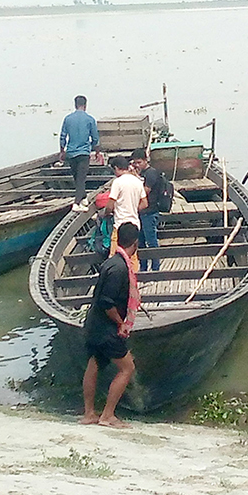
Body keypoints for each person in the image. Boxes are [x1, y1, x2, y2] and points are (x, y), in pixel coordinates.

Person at [80, 221, 140, 429]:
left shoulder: (111, 262)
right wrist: (121, 323)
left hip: (93, 326)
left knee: (94, 364)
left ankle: (89, 413)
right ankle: (108, 415)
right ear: (135, 243)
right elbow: (107, 302)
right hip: (106, 328)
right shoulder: (120, 268)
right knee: (127, 368)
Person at [59, 95, 101, 212]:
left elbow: (63, 136)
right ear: (85, 105)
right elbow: (95, 138)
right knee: (81, 179)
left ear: (75, 105)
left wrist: (62, 151)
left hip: (71, 153)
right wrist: (97, 151)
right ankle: (76, 203)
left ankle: (83, 198)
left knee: (77, 178)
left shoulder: (68, 119)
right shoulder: (90, 119)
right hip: (83, 153)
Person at [106, 156, 147, 272]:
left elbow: (110, 204)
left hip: (120, 225)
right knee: (132, 256)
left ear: (116, 168)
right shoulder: (137, 182)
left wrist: (106, 213)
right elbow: (145, 203)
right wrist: (133, 209)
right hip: (135, 224)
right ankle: (133, 277)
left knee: (116, 254)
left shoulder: (117, 182)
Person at [130, 149, 162, 272]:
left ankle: (155, 268)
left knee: (151, 240)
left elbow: (145, 191)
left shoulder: (151, 173)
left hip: (150, 211)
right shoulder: (141, 174)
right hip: (140, 212)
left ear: (145, 160)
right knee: (140, 242)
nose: (137, 165)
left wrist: (135, 178)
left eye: (139, 162)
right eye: (135, 163)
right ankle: (143, 268)